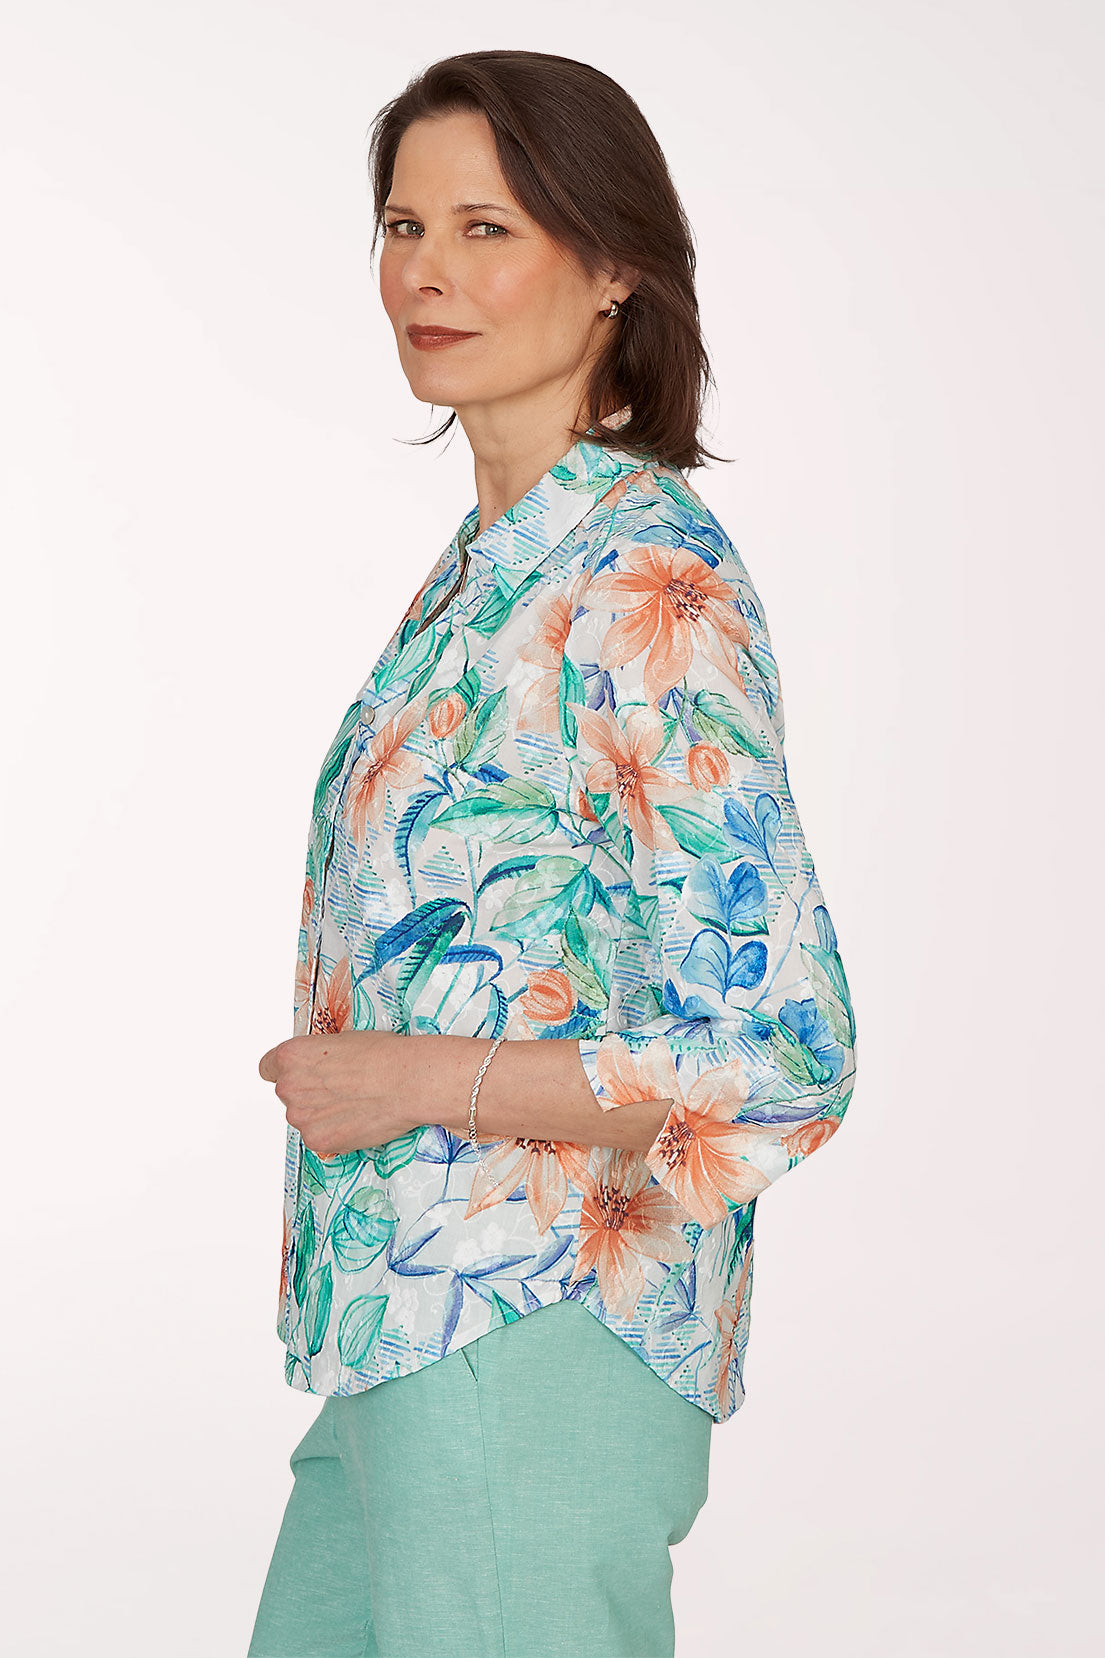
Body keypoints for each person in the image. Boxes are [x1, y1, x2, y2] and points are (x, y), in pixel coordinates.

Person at [248, 48, 858, 1658]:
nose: (424, 272)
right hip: (403, 1322)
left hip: (531, 1326)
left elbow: (781, 1050)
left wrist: (413, 1078)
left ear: (611, 272)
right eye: (402, 225)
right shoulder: (494, 569)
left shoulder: (647, 583)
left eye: (485, 228)